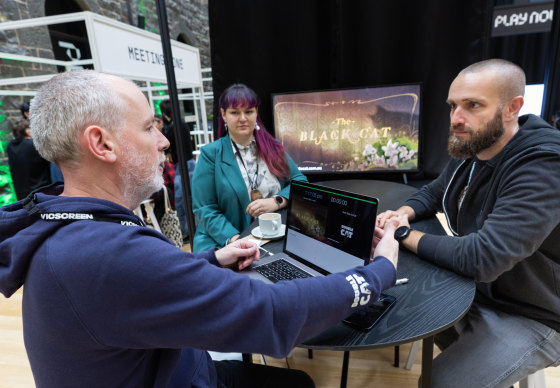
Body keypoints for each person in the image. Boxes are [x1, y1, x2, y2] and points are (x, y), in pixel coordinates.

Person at [0, 70, 400, 388]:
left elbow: (145, 285)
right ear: (102, 144)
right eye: (148, 128)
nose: (163, 142)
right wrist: (380, 270)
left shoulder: (69, 226)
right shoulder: (107, 254)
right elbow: (274, 315)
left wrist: (212, 259)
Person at [376, 59, 560, 388]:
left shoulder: (545, 167)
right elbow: (433, 192)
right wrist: (404, 213)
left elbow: (482, 258)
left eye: (473, 105)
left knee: (440, 381)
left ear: (512, 108)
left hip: (539, 314)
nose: (457, 118)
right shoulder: (478, 146)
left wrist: (401, 234)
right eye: (453, 106)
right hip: (485, 291)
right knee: (396, 308)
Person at [191, 83, 307, 252]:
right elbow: (205, 208)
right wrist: (237, 240)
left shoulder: (274, 148)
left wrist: (276, 201)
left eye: (248, 111)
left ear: (256, 112)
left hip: (273, 237)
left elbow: (300, 181)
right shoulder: (211, 154)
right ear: (223, 114)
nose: (243, 118)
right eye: (235, 112)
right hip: (225, 241)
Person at [160, 99, 196, 241]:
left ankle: (186, 231)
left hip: (183, 165)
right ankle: (189, 229)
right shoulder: (181, 124)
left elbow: (168, 146)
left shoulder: (172, 127)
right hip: (188, 163)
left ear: (164, 113)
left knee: (182, 200)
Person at [6, 119, 51, 200]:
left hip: (21, 196)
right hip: (40, 193)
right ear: (28, 131)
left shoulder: (10, 146)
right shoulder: (33, 145)